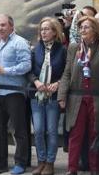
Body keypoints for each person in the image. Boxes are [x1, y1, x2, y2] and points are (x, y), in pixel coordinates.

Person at [57, 16, 99, 175]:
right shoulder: (73, 48)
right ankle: (72, 169)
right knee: (75, 134)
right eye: (81, 27)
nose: (83, 30)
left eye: (87, 27)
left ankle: (94, 168)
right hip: (77, 98)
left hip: (98, 99)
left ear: (94, 30)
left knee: (94, 134)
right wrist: (61, 96)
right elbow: (67, 73)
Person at [0, 14, 31, 174]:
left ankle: (21, 163)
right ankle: (1, 162)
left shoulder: (20, 42)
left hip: (15, 93)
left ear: (11, 26)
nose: (0, 28)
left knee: (19, 130)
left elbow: (26, 65)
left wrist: (6, 71)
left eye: (3, 25)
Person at [28, 17, 67, 175]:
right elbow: (29, 71)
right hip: (37, 95)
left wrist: (57, 84)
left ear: (55, 31)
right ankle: (41, 161)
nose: (43, 32)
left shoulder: (62, 50)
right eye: (41, 29)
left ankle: (50, 163)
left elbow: (67, 72)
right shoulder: (35, 49)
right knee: (38, 130)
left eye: (47, 29)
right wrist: (36, 81)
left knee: (51, 130)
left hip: (53, 95)